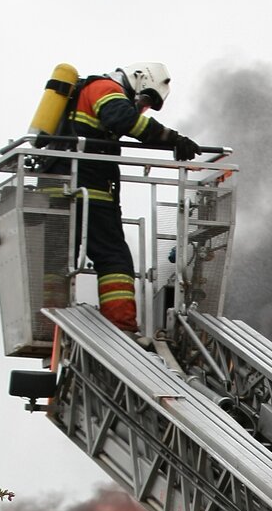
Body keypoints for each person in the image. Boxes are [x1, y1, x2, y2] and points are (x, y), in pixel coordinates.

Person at [47, 62, 200, 334]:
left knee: (58, 260)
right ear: (138, 78)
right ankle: (122, 329)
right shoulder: (106, 88)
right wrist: (173, 139)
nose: (140, 108)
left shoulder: (87, 92)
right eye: (144, 99)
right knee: (114, 258)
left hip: (59, 187)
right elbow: (122, 119)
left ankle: (50, 321)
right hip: (87, 191)